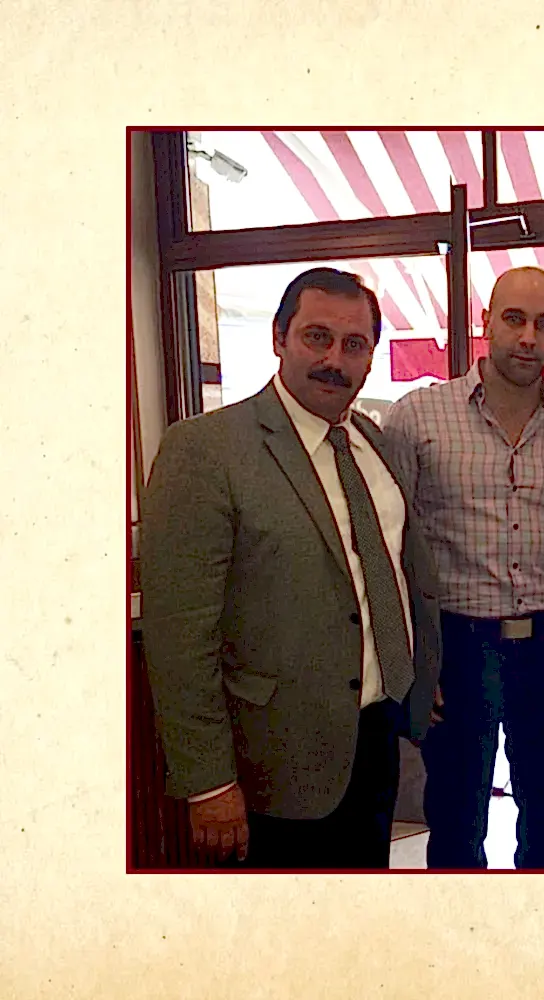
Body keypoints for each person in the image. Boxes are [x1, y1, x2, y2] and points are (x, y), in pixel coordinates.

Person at [140, 268, 441, 870]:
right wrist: (207, 783)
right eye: (317, 337)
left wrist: (420, 673)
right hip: (271, 762)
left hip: (376, 735)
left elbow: (394, 573)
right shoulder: (206, 450)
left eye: (354, 345)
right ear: (279, 338)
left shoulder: (373, 443)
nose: (334, 360)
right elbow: (179, 638)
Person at [382, 266, 544, 869]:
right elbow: (389, 545)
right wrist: (411, 659)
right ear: (486, 322)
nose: (528, 337)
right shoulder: (417, 418)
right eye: (514, 319)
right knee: (456, 817)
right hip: (456, 644)